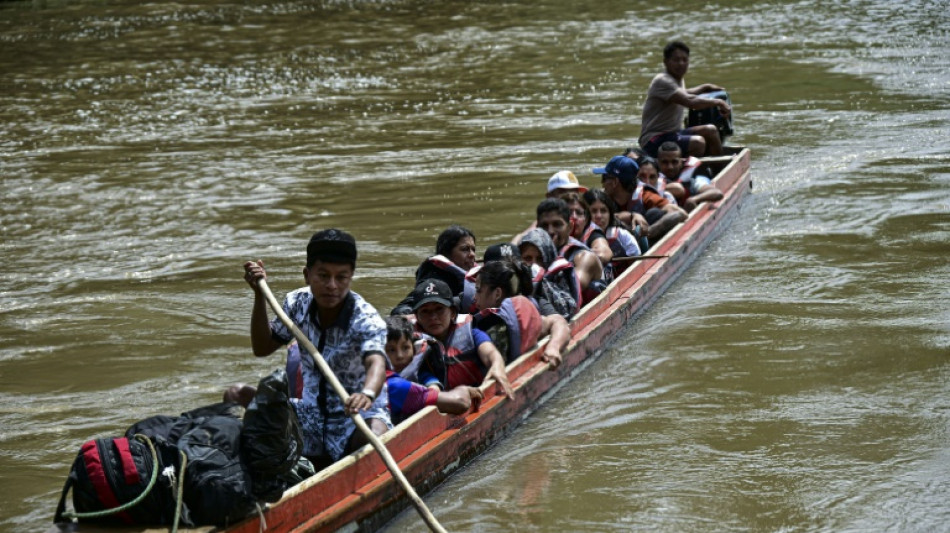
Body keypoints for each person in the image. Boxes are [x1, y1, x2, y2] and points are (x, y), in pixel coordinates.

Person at [241, 229, 390, 470]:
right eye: (323, 275)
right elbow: (262, 347)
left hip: (354, 417)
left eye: (341, 277)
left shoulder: (365, 318)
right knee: (238, 395)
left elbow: (377, 362)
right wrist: (259, 296)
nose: (332, 286)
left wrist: (367, 394)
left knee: (376, 436)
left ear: (351, 277)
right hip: (309, 416)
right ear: (307, 275)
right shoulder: (295, 303)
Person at [412, 279, 515, 400]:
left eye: (439, 309)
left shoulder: (472, 334)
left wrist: (497, 365)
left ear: (452, 313)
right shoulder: (410, 344)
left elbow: (490, 353)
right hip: (436, 401)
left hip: (477, 395)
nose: (433, 317)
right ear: (417, 317)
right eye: (425, 311)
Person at [383, 316, 483, 424]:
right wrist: (464, 390)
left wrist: (433, 389)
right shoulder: (397, 386)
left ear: (413, 348)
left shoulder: (418, 373)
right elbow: (460, 402)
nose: (400, 356)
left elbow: (432, 385)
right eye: (391, 350)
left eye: (405, 348)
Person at [639, 40, 731, 158]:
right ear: (666, 62)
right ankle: (688, 171)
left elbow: (684, 94)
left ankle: (720, 168)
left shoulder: (677, 79)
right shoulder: (663, 80)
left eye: (685, 60)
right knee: (698, 143)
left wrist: (704, 87)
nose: (681, 63)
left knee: (711, 130)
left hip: (672, 134)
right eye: (676, 60)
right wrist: (719, 102)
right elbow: (690, 101)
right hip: (653, 139)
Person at [472, 258, 570, 367]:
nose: (474, 297)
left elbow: (559, 322)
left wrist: (554, 347)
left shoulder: (522, 319)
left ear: (497, 294)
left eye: (478, 290)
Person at [593, 155, 686, 247]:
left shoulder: (646, 196)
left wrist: (648, 232)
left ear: (615, 182)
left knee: (654, 214)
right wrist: (631, 216)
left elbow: (680, 213)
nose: (602, 184)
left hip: (646, 243)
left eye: (604, 179)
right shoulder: (604, 197)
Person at [391, 224, 477, 316]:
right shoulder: (434, 279)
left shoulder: (477, 277)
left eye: (473, 249)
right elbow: (403, 307)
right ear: (446, 254)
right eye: (465, 249)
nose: (472, 254)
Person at [534, 198, 604, 304]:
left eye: (557, 224)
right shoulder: (535, 254)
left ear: (570, 227)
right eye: (544, 226)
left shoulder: (585, 258)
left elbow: (571, 291)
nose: (550, 231)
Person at [517, 228, 581, 319]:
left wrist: (540, 281)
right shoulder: (517, 273)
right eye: (528, 258)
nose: (534, 264)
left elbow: (568, 309)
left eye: (539, 259)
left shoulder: (558, 272)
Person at [582, 188, 642, 282]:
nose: (599, 216)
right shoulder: (580, 239)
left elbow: (637, 267)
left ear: (610, 214)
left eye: (603, 211)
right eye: (593, 211)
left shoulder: (622, 236)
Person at [656, 141, 723, 212]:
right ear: (658, 163)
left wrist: (694, 199)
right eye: (665, 162)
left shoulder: (694, 176)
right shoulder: (650, 176)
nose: (670, 167)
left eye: (674, 162)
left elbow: (717, 193)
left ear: (681, 162)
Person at [557, 191, 613, 266]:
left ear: (586, 219)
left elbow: (603, 254)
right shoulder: (552, 231)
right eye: (568, 213)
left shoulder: (594, 233)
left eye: (579, 213)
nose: (574, 217)